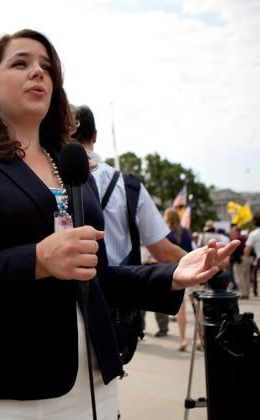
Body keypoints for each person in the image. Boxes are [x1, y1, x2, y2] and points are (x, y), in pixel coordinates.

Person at [0, 29, 238, 420]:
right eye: (21, 63)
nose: (38, 73)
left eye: (47, 67)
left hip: (93, 383)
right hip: (2, 391)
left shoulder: (72, 166)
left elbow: (93, 278)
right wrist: (35, 260)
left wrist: (170, 275)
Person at [72, 105, 187, 341]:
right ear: (95, 135)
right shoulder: (128, 186)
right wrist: (199, 263)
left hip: (64, 305)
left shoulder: (47, 177)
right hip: (115, 306)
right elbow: (163, 251)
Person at [163, 208, 195, 351]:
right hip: (191, 269)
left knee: (181, 308)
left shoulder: (165, 233)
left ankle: (183, 339)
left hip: (176, 272)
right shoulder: (186, 232)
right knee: (196, 305)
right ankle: (200, 338)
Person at [230, 226, 253, 299]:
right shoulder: (245, 238)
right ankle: (247, 293)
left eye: (232, 232)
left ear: (236, 232)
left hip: (240, 259)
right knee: (246, 276)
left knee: (239, 277)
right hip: (247, 258)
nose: (231, 233)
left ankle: (243, 293)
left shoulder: (237, 240)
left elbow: (233, 251)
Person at [244, 215, 260, 290]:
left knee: (254, 273)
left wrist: (247, 256)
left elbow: (247, 248)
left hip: (259, 257)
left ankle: (256, 290)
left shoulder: (253, 234)